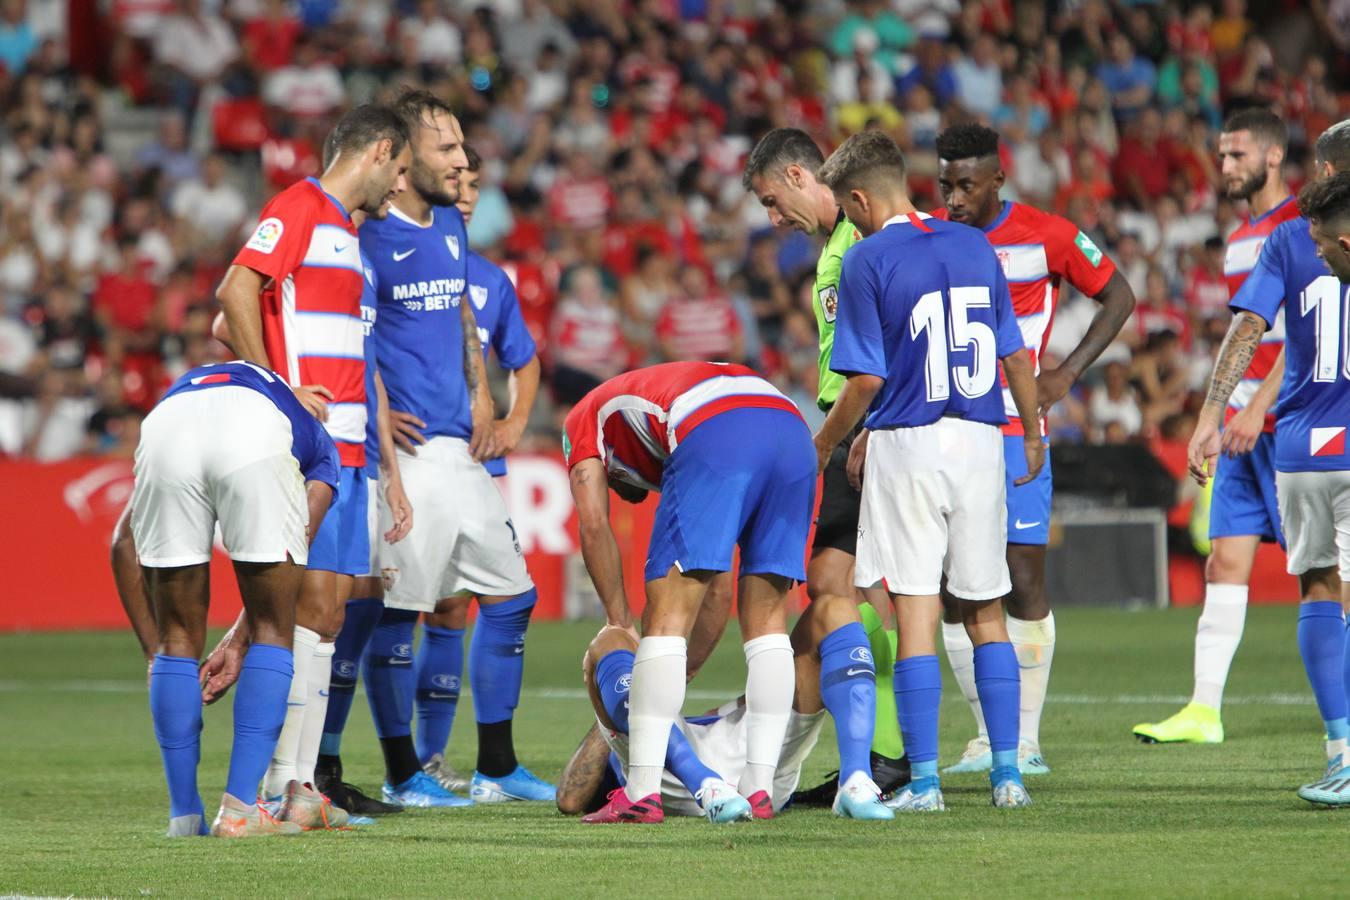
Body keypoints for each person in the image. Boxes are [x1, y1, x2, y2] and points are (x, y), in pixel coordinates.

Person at [813, 130, 1043, 812]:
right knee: (986, 610)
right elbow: (1016, 353)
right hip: (979, 437)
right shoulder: (973, 244)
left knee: (915, 611)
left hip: (910, 447)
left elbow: (863, 381)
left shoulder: (866, 260)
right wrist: (1030, 432)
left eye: (846, 209)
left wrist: (825, 443)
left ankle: (926, 784)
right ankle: (1008, 776)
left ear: (859, 198)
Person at [564, 361, 881, 822]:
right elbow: (715, 591)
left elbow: (594, 524)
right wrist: (681, 671)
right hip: (790, 424)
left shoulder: (583, 417)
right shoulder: (660, 395)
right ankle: (758, 788)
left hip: (714, 425)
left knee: (665, 617)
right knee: (769, 620)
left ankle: (643, 793)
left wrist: (621, 623)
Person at [211, 103, 411, 827]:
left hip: (351, 451)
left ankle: (299, 790)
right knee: (296, 612)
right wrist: (281, 390)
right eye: (401, 171)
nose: (400, 188)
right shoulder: (299, 205)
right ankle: (266, 786)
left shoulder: (350, 239)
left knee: (326, 615)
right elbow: (232, 294)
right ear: (381, 151)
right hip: (307, 449)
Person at [359, 89, 553, 807]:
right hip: (409, 454)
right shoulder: (369, 238)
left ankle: (496, 767)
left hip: (460, 449)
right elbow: (360, 340)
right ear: (404, 162)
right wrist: (382, 431)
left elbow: (462, 322)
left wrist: (480, 389)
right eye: (447, 148)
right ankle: (404, 772)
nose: (463, 160)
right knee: (401, 611)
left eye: (463, 146)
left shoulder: (448, 226)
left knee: (511, 598)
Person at [929, 122, 1136, 775]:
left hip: (1017, 431)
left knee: (1022, 578)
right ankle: (990, 735)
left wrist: (1068, 374)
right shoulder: (927, 236)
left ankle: (1025, 740)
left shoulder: (1046, 234)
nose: (955, 198)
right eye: (945, 185)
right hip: (943, 429)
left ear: (998, 179)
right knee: (953, 588)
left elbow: (1119, 295)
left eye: (966, 185)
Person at [742, 127, 909, 798]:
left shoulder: (859, 245)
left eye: (771, 202)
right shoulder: (842, 245)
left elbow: (887, 351)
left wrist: (836, 438)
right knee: (856, 589)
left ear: (795, 176)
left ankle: (881, 752)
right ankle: (884, 757)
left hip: (862, 426)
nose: (775, 219)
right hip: (861, 423)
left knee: (838, 593)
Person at [1187, 123, 1350, 804]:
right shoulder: (1311, 234)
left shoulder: (1289, 238)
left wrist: (1210, 414)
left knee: (1318, 588)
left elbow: (1247, 327)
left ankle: (1341, 751)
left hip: (1305, 442)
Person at [1135, 109, 1301, 745]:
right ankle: (1204, 710)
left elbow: (1316, 330)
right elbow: (1244, 336)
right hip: (1242, 426)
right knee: (1225, 562)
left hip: (1293, 422)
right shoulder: (1240, 238)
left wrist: (1261, 407)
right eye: (1221, 155)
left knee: (1329, 572)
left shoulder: (1305, 226)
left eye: (1236, 155)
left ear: (1271, 157)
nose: (1223, 166)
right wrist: (1218, 413)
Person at [134, 360, 340, 838]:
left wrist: (154, 649)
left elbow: (124, 542)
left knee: (177, 639)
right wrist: (243, 636)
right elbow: (302, 533)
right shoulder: (318, 440)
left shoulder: (191, 387)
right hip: (253, 438)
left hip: (163, 428)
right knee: (275, 626)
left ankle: (184, 816)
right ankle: (241, 810)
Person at [411, 144, 547, 799]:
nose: (464, 191)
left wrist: (515, 424)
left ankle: (487, 767)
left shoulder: (492, 281)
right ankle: (419, 762)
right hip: (412, 456)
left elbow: (524, 359)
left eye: (471, 183)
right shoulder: (397, 254)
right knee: (425, 606)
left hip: (473, 465)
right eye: (454, 179)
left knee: (475, 600)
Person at [557, 592, 885, 822]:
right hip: (736, 776)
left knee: (834, 609)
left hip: (761, 745)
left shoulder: (648, 724)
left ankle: (855, 778)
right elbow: (570, 797)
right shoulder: (633, 746)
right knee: (611, 639)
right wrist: (642, 695)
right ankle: (705, 782)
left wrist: (649, 686)